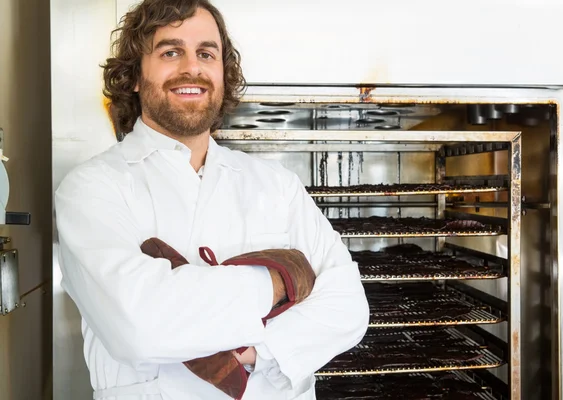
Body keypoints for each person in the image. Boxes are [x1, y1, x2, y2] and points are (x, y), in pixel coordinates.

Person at [54, 0, 370, 399]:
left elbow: (348, 306)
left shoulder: (276, 183)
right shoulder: (92, 188)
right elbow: (140, 325)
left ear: (223, 72)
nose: (192, 68)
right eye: (171, 52)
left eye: (206, 53)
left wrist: (261, 352)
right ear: (134, 75)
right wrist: (279, 281)